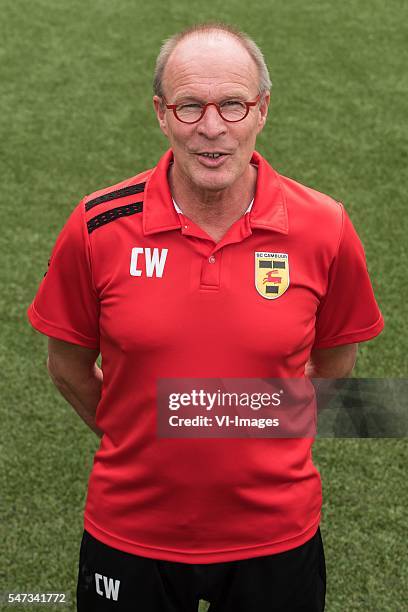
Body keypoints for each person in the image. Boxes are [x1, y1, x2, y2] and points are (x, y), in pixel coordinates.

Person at [27, 22, 384, 612]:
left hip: (277, 537)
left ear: (261, 110)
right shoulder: (96, 226)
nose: (212, 128)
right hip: (130, 534)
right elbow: (66, 366)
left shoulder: (325, 226)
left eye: (233, 105)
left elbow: (335, 367)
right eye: (190, 106)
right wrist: (139, 434)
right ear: (162, 114)